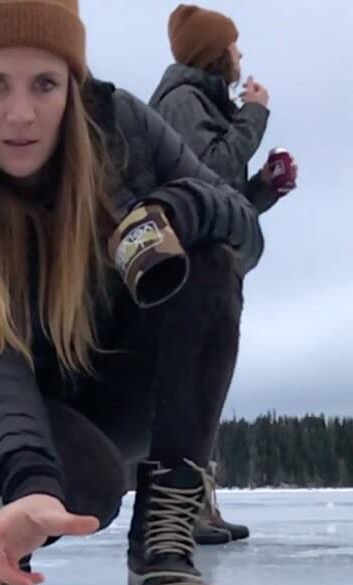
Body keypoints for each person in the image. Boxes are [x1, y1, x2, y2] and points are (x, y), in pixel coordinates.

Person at [0, 0, 263, 585]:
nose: (21, 114)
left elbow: (244, 231)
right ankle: (11, 511)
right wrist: (28, 476)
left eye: (45, 83)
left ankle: (164, 540)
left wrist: (176, 211)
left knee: (210, 258)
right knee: (83, 489)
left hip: (124, 380)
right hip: (33, 406)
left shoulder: (125, 130)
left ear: (73, 83)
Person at [150, 4, 298, 545]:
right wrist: (254, 114)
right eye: (234, 47)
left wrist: (264, 188)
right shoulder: (183, 102)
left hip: (213, 271)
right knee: (192, 391)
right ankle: (183, 509)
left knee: (206, 389)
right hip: (194, 276)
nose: (240, 56)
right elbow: (208, 179)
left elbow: (224, 198)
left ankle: (197, 507)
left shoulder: (200, 103)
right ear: (216, 54)